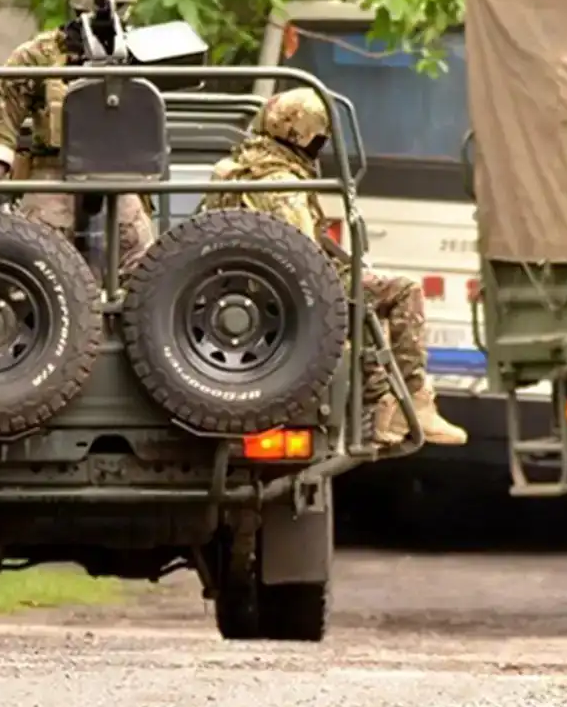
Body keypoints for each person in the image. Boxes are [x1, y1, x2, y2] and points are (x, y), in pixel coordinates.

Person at [197, 87, 468, 448]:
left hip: (240, 284)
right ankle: (412, 403)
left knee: (363, 293)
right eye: (317, 141)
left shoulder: (230, 170)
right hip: (286, 289)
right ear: (301, 137)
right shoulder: (284, 185)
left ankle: (385, 403)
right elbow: (305, 264)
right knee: (403, 290)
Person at [0, 0, 154, 276]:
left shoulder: (138, 52)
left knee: (143, 266)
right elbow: (5, 118)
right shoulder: (39, 55)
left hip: (118, 177)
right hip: (53, 173)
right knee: (34, 261)